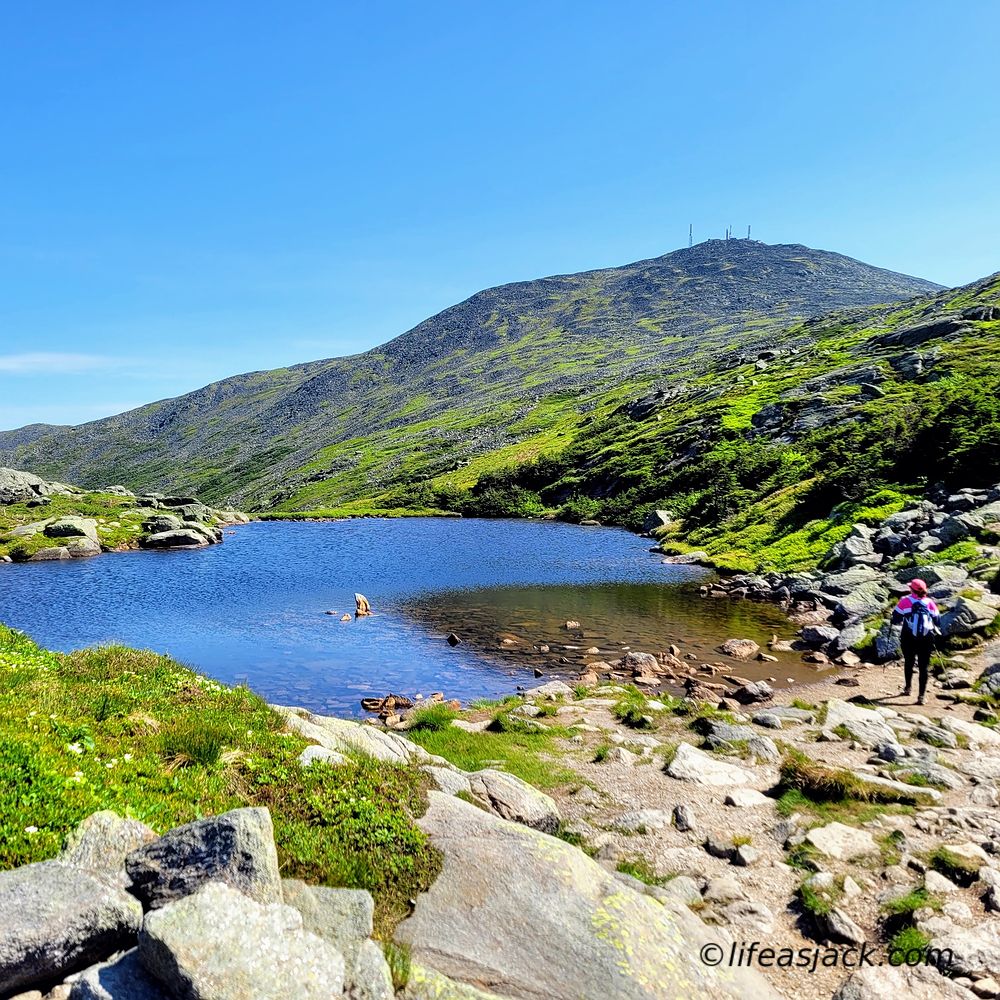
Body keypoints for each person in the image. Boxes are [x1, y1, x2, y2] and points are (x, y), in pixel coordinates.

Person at [890, 578, 941, 705]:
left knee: (909, 662)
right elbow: (938, 621)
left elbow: (895, 619)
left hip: (908, 637)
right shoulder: (930, 603)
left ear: (911, 590)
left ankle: (908, 688)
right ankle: (922, 696)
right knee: (924, 667)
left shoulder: (905, 601)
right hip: (926, 638)